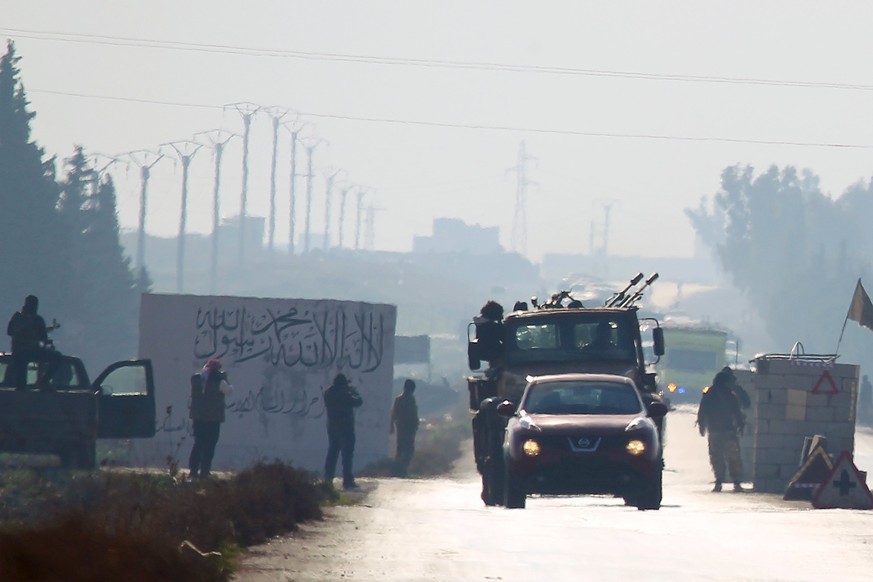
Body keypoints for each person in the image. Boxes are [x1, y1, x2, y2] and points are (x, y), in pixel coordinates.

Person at [697, 368, 745, 492]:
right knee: (733, 457)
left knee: (717, 457)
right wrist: (740, 426)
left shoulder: (709, 394)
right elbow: (737, 413)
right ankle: (736, 482)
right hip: (727, 431)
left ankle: (719, 482)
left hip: (715, 431)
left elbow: (702, 412)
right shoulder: (729, 395)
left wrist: (702, 426)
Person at [188, 358, 232, 480]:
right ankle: (205, 471)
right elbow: (229, 391)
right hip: (213, 419)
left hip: (198, 418)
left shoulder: (196, 379)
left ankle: (193, 470)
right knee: (210, 445)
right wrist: (225, 378)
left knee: (198, 443)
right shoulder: (220, 382)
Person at [323, 373, 364, 490]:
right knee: (347, 456)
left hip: (332, 428)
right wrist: (353, 392)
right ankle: (347, 480)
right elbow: (359, 402)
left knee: (332, 454)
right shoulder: (345, 394)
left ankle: (328, 479)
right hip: (346, 429)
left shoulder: (328, 393)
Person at [6, 295, 50, 389]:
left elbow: (43, 337)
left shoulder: (36, 320)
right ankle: (42, 382)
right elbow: (10, 331)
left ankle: (42, 381)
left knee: (56, 357)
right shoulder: (19, 318)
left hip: (28, 352)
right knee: (21, 383)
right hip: (21, 353)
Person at [390, 379, 420, 476]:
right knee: (407, 449)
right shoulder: (409, 399)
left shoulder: (400, 399)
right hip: (406, 428)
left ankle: (400, 470)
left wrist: (392, 426)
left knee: (403, 448)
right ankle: (400, 470)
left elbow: (393, 414)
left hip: (404, 427)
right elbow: (395, 414)